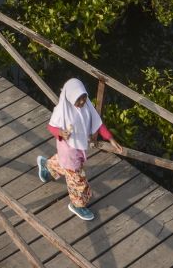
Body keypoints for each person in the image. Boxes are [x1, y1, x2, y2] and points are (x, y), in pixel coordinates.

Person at [36, 78, 125, 221]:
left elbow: (97, 123)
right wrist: (61, 133)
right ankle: (77, 205)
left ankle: (46, 168)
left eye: (84, 97)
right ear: (70, 97)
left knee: (63, 165)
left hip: (77, 147)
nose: (82, 102)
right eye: (79, 99)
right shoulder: (62, 109)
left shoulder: (86, 106)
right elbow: (51, 127)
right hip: (69, 150)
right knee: (78, 181)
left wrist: (111, 139)